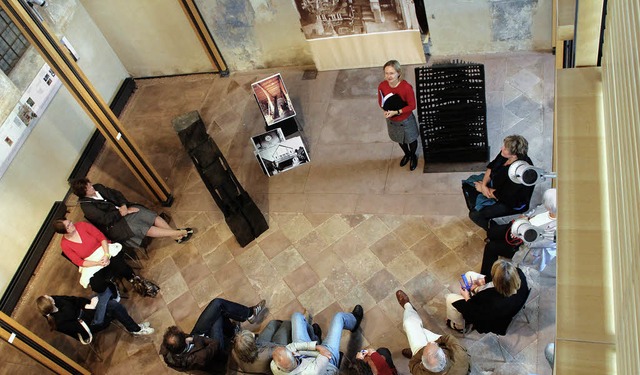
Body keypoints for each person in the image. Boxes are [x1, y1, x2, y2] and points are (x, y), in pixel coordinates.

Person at [70, 177, 192, 245]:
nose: (92, 187)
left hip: (124, 210)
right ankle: (176, 233)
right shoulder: (87, 207)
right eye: (89, 188)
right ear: (84, 193)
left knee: (149, 216)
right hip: (117, 225)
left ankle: (175, 236)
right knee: (142, 228)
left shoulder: (98, 187)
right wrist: (121, 212)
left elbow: (116, 194)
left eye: (90, 184)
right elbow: (104, 220)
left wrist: (123, 205)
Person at [54, 219, 158, 298]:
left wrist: (106, 255)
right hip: (91, 262)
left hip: (103, 249)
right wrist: (97, 263)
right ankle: (113, 289)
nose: (72, 224)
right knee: (97, 285)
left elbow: (101, 238)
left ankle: (136, 282)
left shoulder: (82, 225)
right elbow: (78, 261)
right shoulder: (65, 244)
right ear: (65, 231)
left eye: (70, 222)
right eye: (69, 226)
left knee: (121, 267)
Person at [159, 298, 266, 372]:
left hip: (195, 343)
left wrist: (192, 338)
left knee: (217, 304)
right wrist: (195, 338)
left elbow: (179, 342)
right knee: (217, 317)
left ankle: (249, 314)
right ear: (185, 340)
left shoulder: (167, 346)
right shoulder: (199, 357)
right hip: (214, 353)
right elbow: (214, 344)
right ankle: (233, 332)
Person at [462, 135, 535, 230]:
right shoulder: (505, 155)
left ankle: (494, 230)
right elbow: (492, 166)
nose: (502, 148)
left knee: (475, 215)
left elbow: (504, 195)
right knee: (469, 183)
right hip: (497, 186)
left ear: (514, 155)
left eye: (505, 148)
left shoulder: (519, 175)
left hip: (510, 202)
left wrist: (484, 190)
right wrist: (484, 185)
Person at [480, 188, 557, 275]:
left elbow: (531, 244)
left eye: (546, 204)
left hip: (523, 246)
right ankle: (497, 240)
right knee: (492, 232)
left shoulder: (554, 233)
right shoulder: (549, 206)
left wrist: (522, 228)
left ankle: (484, 278)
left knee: (490, 247)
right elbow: (535, 209)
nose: (544, 205)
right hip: (519, 227)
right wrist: (525, 216)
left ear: (551, 207)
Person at [270, 305, 364, 375]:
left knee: (296, 316)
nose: (288, 347)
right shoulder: (313, 372)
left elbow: (292, 346)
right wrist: (319, 348)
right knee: (339, 317)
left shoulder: (275, 366)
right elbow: (326, 354)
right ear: (293, 355)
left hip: (304, 354)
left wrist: (314, 345)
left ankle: (315, 337)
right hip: (327, 361)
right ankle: (354, 321)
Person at [445, 259, 529, 335]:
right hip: (513, 304)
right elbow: (503, 276)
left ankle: (459, 326)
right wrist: (482, 281)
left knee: (450, 299)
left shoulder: (491, 299)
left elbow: (473, 313)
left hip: (491, 320)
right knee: (469, 275)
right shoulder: (519, 274)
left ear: (497, 282)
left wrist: (466, 296)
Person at [396, 290, 470, 375]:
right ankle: (418, 348)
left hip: (421, 353)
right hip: (440, 343)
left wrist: (419, 352)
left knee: (410, 324)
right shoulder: (460, 357)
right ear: (445, 356)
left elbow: (412, 364)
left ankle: (408, 307)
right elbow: (449, 338)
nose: (428, 343)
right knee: (417, 332)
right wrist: (435, 343)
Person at [36, 294, 153, 340]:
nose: (48, 295)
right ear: (50, 304)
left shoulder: (56, 299)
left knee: (105, 295)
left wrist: (88, 304)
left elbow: (75, 299)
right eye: (48, 297)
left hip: (88, 312)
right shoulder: (59, 321)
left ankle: (133, 327)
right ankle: (135, 329)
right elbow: (80, 327)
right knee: (114, 307)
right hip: (91, 324)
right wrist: (90, 309)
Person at [232, 319, 322, 374]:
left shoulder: (234, 352)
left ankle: (278, 325)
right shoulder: (268, 354)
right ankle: (315, 336)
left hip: (260, 348)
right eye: (252, 336)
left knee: (272, 324)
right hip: (267, 349)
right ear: (252, 344)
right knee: (286, 325)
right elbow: (283, 348)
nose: (252, 334)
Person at [378, 60, 420, 171]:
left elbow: (412, 106)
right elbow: (380, 101)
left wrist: (396, 112)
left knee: (411, 139)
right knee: (399, 140)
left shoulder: (406, 87)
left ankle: (412, 155)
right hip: (392, 120)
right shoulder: (382, 86)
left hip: (405, 119)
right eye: (386, 73)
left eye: (391, 73)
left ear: (398, 73)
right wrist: (384, 110)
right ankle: (407, 154)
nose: (389, 76)